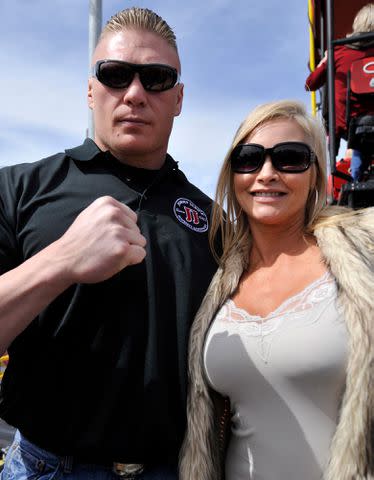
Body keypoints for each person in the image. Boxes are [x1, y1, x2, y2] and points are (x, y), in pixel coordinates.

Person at [0, 7, 218, 480]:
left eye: (157, 78)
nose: (135, 94)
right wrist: (62, 260)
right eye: (116, 75)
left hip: (176, 468)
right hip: (48, 467)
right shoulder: (19, 189)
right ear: (91, 90)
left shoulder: (213, 219)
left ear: (178, 98)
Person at [179, 100, 374, 480]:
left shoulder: (365, 252)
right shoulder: (212, 276)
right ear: (232, 174)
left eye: (290, 157)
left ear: (316, 174)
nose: (267, 173)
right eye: (249, 159)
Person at [305, 3, 374, 181]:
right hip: (364, 120)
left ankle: (356, 176)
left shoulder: (339, 51)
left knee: (360, 138)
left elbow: (310, 84)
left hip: (347, 123)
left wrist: (325, 61)